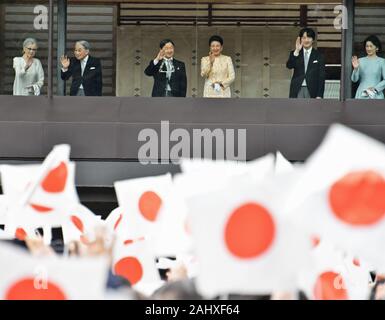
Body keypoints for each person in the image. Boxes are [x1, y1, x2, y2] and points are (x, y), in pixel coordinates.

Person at [286, 28, 325, 99]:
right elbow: (289, 66)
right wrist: (297, 51)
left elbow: (321, 76)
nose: (306, 40)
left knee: (311, 109)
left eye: (309, 37)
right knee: (297, 109)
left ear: (313, 40)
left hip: (312, 89)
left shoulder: (319, 55)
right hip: (297, 88)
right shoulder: (295, 53)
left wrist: (319, 94)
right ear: (300, 39)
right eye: (304, 38)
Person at [351, 35, 385, 99]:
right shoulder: (360, 61)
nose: (368, 48)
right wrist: (356, 69)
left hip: (376, 95)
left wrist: (375, 89)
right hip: (361, 94)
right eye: (367, 46)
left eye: (371, 46)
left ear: (377, 48)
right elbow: (354, 80)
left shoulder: (382, 61)